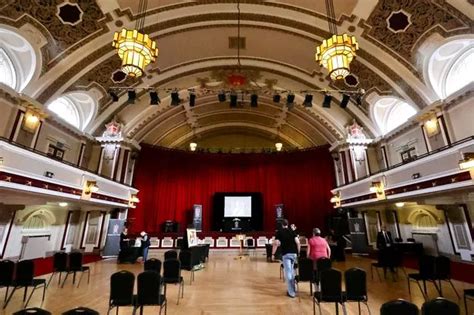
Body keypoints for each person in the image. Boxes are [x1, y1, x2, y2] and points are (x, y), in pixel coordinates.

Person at [272, 219, 300, 298]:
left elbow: (276, 243)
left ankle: (291, 293)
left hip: (286, 254)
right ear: (288, 224)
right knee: (293, 272)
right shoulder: (292, 231)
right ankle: (294, 289)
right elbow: (298, 242)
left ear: (281, 225)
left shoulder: (279, 232)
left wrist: (273, 254)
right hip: (294, 254)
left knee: (288, 273)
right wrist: (298, 253)